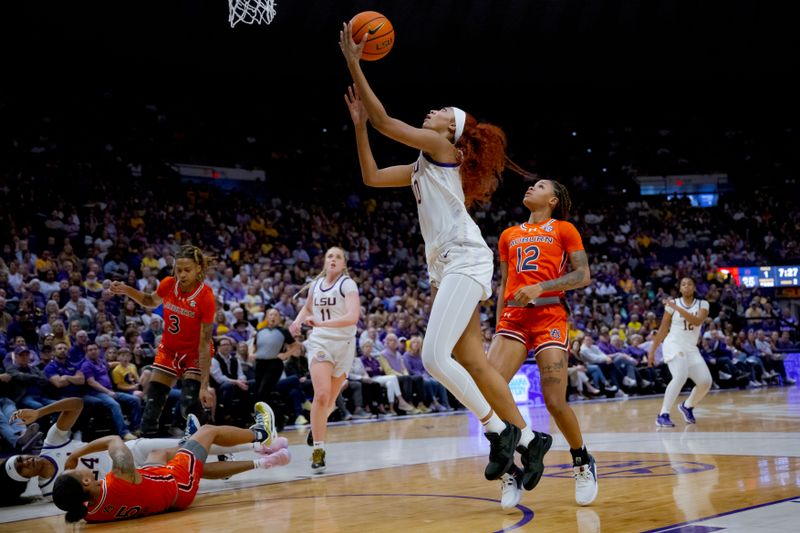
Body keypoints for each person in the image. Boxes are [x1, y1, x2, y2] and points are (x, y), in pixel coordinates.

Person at [341, 21, 545, 488]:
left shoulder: (439, 148)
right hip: (448, 266)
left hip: (465, 259)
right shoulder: (421, 166)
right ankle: (531, 441)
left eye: (439, 112)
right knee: (471, 360)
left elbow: (387, 122)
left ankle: (499, 430)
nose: (430, 112)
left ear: (448, 130)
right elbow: (371, 175)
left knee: (433, 357)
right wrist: (358, 128)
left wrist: (354, 62)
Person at [488, 180, 596, 507]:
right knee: (489, 392)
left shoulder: (563, 229)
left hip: (549, 314)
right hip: (514, 318)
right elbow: (505, 283)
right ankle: (510, 469)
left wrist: (541, 287)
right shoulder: (508, 235)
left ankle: (582, 460)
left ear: (552, 200)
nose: (530, 188)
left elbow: (583, 275)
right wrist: (497, 327)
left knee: (553, 399)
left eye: (539, 186)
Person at [7, 398, 289, 502]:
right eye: (22, 469)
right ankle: (260, 438)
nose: (26, 462)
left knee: (194, 449)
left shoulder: (52, 442)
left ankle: (258, 445)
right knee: (196, 451)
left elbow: (77, 404)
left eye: (19, 459)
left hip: (132, 450)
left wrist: (41, 412)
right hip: (132, 476)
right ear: (24, 479)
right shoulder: (50, 489)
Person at [51, 401, 287, 523]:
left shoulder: (87, 513)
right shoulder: (119, 475)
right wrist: (75, 454)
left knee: (158, 454)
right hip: (177, 485)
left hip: (159, 496)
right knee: (207, 431)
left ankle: (187, 443)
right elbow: (113, 439)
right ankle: (260, 433)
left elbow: (77, 508)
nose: (80, 468)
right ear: (84, 480)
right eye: (76, 472)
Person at [111, 245, 215, 437]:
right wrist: (126, 290)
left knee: (189, 405)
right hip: (168, 350)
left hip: (193, 353)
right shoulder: (168, 284)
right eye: (178, 270)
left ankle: (210, 436)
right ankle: (147, 446)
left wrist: (204, 385)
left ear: (198, 269)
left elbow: (205, 342)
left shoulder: (206, 297)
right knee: (153, 401)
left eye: (187, 270)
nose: (182, 275)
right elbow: (150, 301)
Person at [290, 247, 360, 473]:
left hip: (345, 345)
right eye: (330, 256)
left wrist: (321, 322)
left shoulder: (347, 285)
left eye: (338, 256)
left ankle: (316, 425)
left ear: (343, 264)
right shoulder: (315, 285)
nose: (333, 259)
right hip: (320, 342)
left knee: (329, 402)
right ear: (324, 261)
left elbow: (352, 316)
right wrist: (297, 322)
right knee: (321, 395)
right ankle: (319, 449)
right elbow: (308, 307)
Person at [648, 277, 712, 428]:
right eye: (683, 284)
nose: (687, 286)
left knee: (705, 382)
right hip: (673, 344)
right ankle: (663, 414)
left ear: (694, 287)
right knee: (680, 375)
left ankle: (687, 406)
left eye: (690, 284)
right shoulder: (673, 304)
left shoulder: (703, 304)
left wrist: (676, 308)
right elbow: (663, 328)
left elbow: (696, 321)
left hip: (691, 348)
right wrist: (652, 351)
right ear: (680, 289)